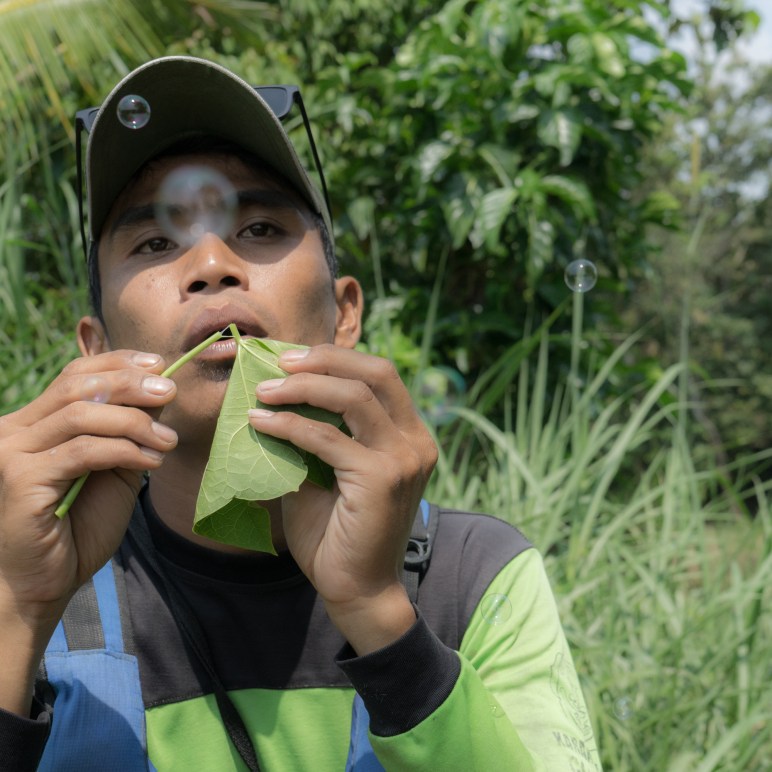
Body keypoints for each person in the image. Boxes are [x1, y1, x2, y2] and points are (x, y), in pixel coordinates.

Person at [0, 56, 601, 771]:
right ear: (98, 349)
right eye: (155, 242)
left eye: (259, 228)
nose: (213, 265)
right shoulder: (30, 576)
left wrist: (379, 613)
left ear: (344, 314)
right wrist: (17, 608)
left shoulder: (474, 578)